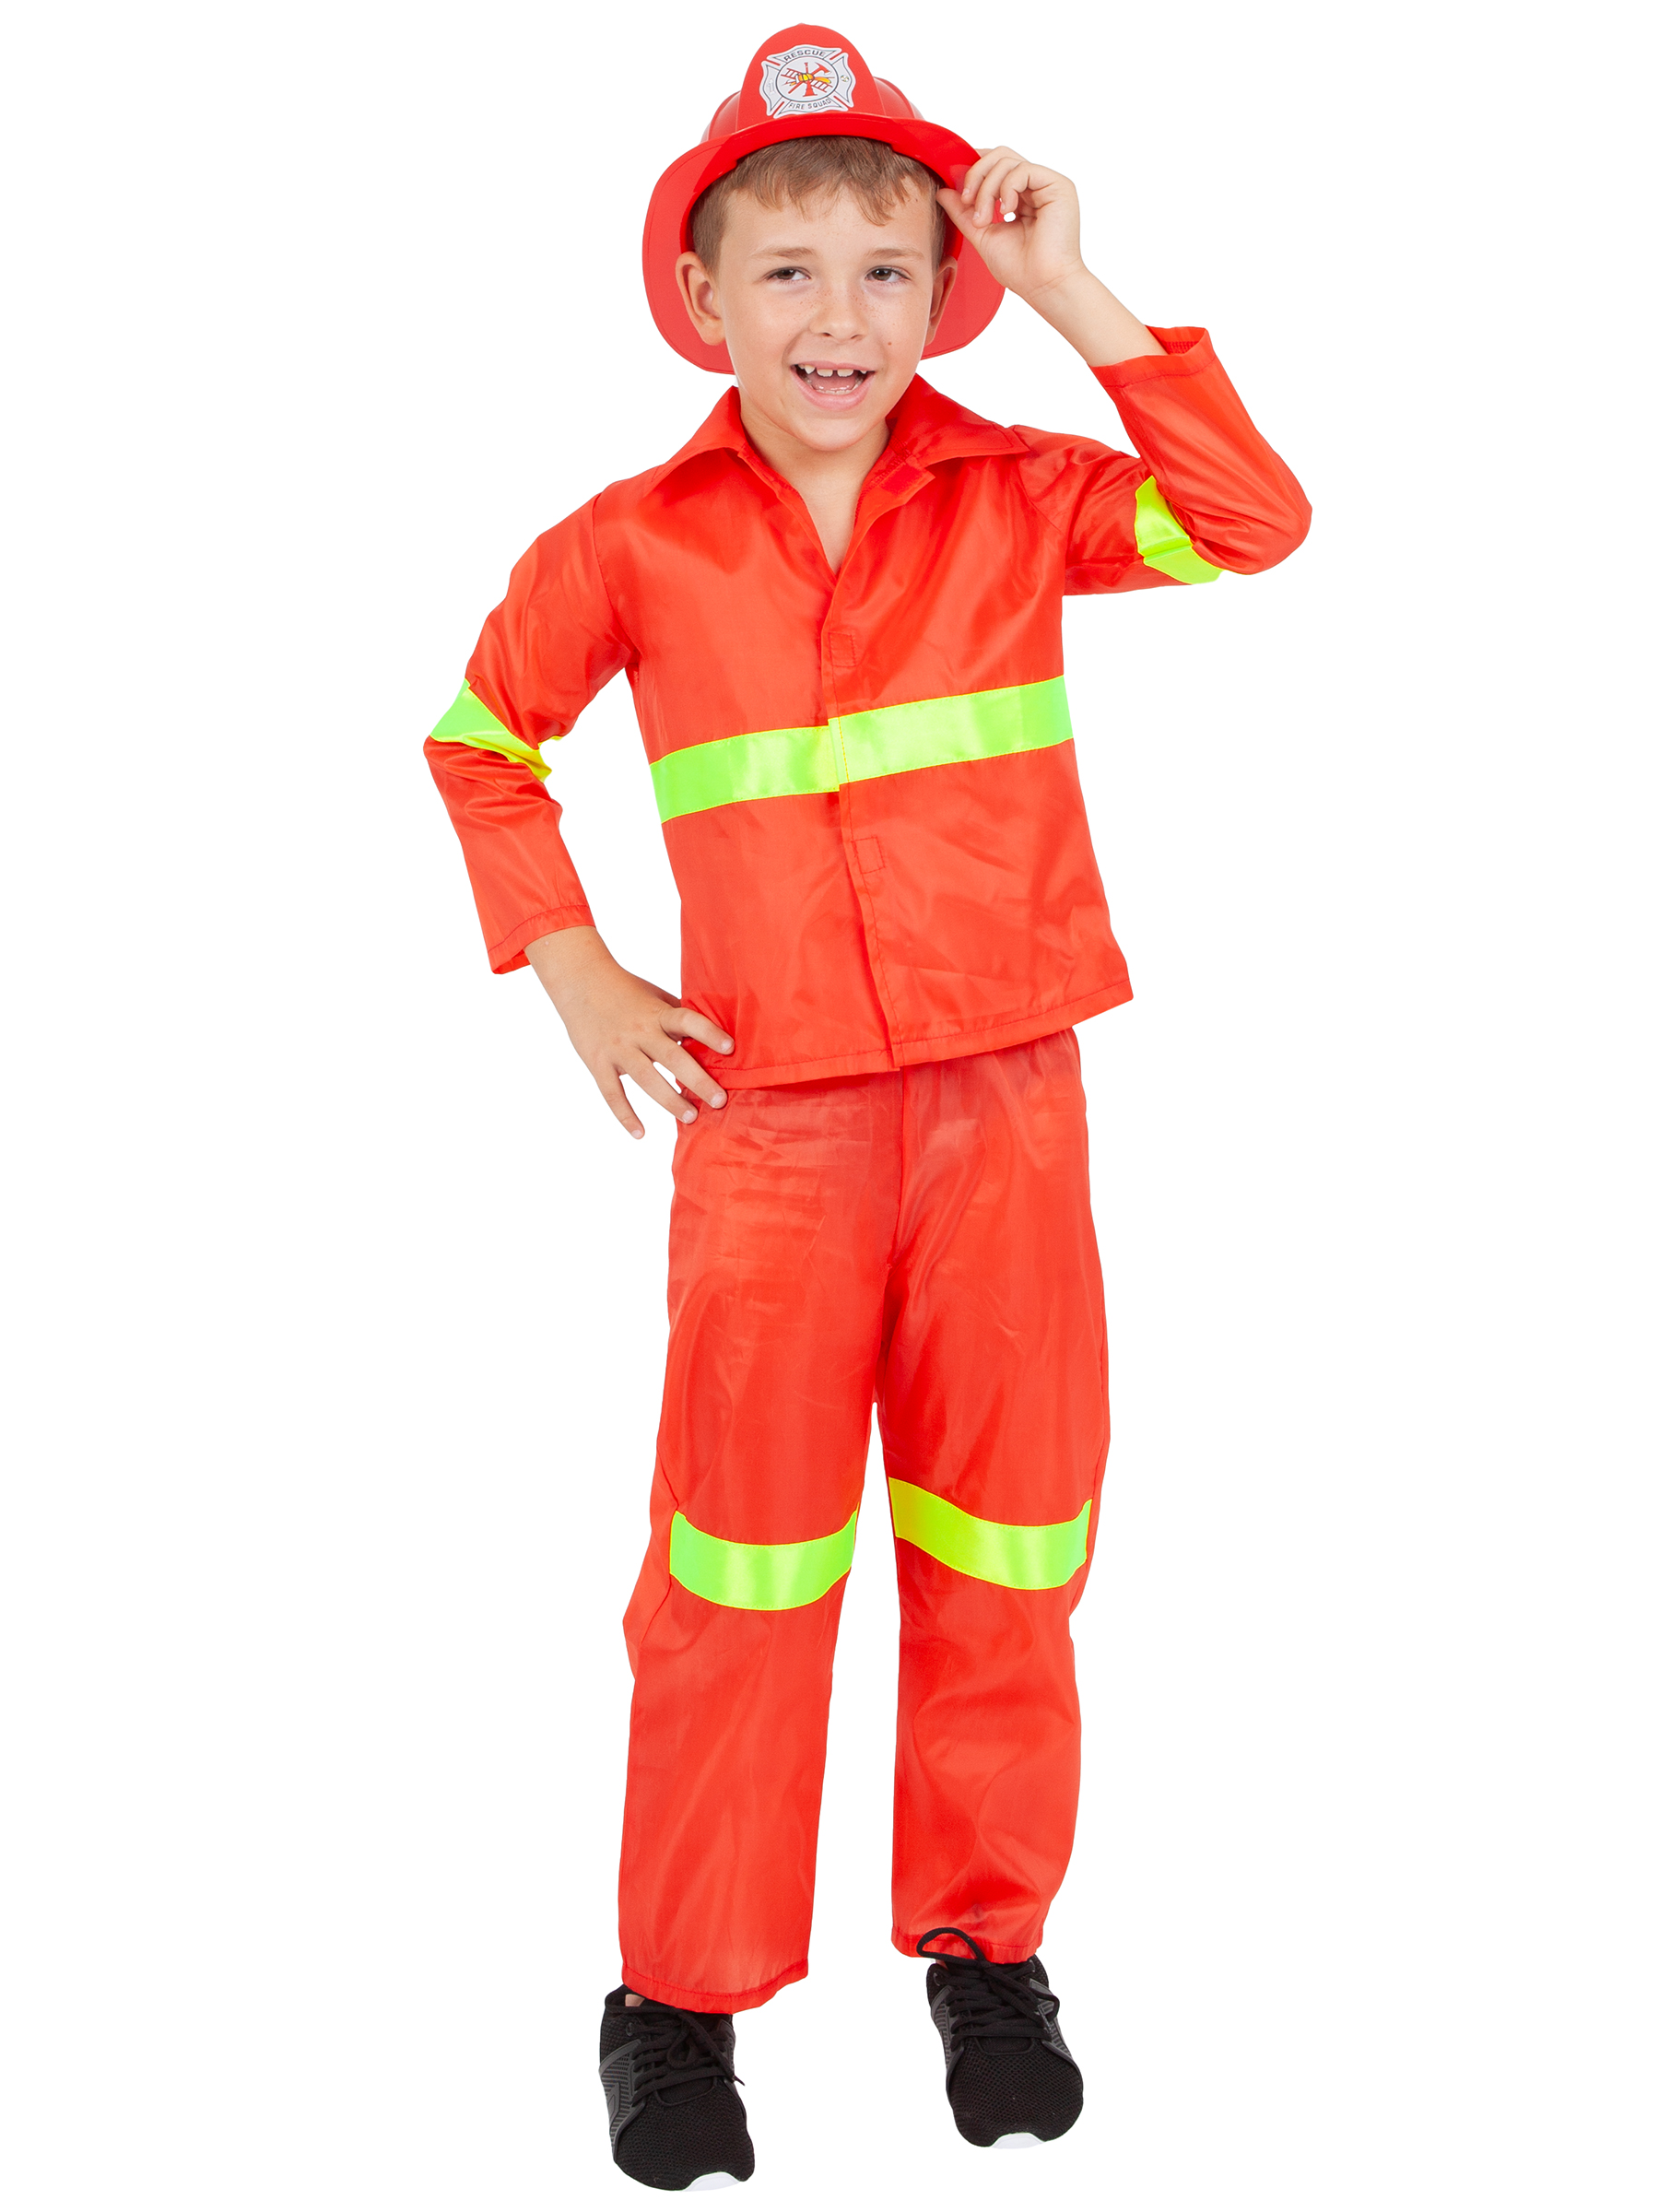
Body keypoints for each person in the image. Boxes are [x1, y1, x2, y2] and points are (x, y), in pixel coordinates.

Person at [425, 22, 1309, 2192]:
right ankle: (679, 1999)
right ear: (702, 298)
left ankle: (986, 1952)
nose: (842, 318)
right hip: (775, 1133)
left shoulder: (1018, 499)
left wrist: (1080, 288)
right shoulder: (630, 543)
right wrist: (573, 970)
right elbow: (478, 741)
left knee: (1008, 1544)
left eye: (889, 271)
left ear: (946, 292)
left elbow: (1251, 520)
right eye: (792, 272)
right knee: (738, 1572)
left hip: (1010, 1101)